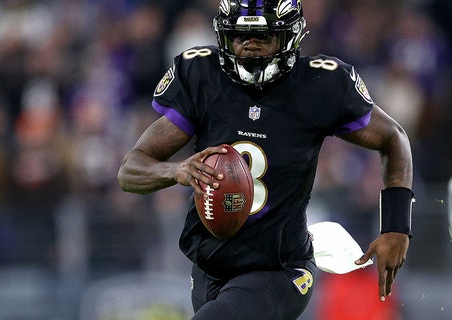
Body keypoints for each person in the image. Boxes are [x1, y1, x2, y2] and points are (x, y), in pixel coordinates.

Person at [116, 0, 414, 319]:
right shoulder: (201, 75)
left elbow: (392, 138)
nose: (249, 48)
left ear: (290, 37)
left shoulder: (321, 83)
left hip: (280, 270)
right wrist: (178, 170)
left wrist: (396, 226)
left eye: (262, 37)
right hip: (209, 269)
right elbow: (130, 172)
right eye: (240, 37)